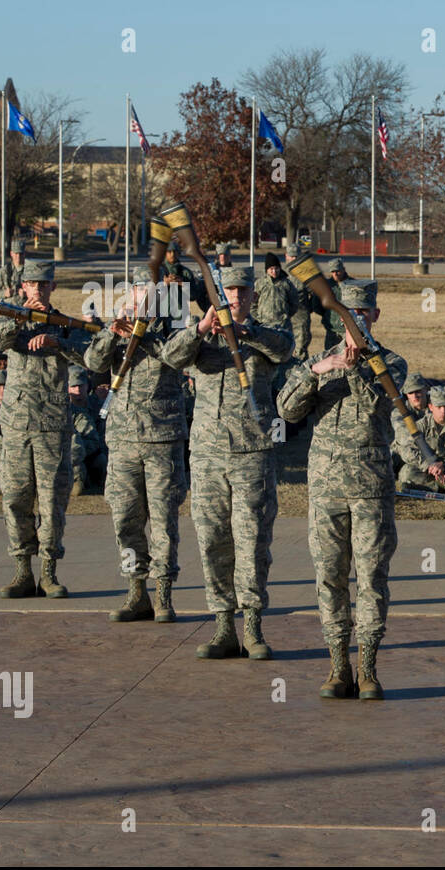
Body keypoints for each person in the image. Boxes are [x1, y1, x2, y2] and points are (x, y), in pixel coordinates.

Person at [277, 280, 406, 699]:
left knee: (370, 577)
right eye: (348, 316)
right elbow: (287, 409)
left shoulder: (391, 364)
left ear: (374, 317)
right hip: (326, 489)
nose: (355, 323)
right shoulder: (318, 362)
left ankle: (368, 667)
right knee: (330, 577)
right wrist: (319, 372)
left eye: (363, 314)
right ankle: (338, 666)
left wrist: (353, 371)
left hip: (371, 488)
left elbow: (374, 407)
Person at [162, 265, 293, 659]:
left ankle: (252, 627)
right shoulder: (201, 336)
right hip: (206, 455)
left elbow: (283, 349)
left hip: (252, 452)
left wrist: (247, 334)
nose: (236, 297)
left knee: (252, 540)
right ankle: (223, 627)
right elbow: (171, 357)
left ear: (253, 295)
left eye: (242, 291)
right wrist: (201, 329)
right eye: (229, 291)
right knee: (212, 538)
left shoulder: (266, 332)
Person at [84, 265, 190, 623]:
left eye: (150, 291)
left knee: (163, 522)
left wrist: (142, 334)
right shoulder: (116, 326)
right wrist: (112, 335)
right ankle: (136, 590)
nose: (142, 297)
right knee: (126, 519)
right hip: (123, 440)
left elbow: (177, 356)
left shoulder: (173, 329)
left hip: (163, 439)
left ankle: (164, 594)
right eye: (137, 290)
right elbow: (93, 364)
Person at [0, 260, 90, 598]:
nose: (38, 289)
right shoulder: (13, 317)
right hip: (17, 424)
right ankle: (22, 571)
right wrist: (21, 317)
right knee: (15, 498)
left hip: (52, 426)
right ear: (23, 288)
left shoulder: (64, 324)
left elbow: (88, 357)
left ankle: (48, 572)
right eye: (32, 284)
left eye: (44, 284)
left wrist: (56, 342)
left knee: (52, 502)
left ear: (53, 288)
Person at [397, 385, 445, 495]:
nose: (443, 411)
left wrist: (443, 464)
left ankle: (430, 487)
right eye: (439, 407)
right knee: (406, 472)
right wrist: (428, 465)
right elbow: (407, 450)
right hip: (427, 470)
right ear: (431, 407)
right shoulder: (420, 426)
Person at [67, 366, 106, 496]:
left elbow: (97, 438)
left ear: (87, 387)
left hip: (94, 453)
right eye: (73, 387)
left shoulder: (99, 406)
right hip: (71, 456)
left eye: (81, 386)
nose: (77, 390)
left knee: (102, 460)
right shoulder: (63, 409)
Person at [282, 247, 313, 362]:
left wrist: (308, 308)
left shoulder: (306, 275)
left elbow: (315, 294)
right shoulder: (280, 274)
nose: (294, 259)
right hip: (283, 318)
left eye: (296, 256)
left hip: (300, 317)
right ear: (286, 256)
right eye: (291, 256)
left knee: (300, 349)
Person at [318, 258, 351, 351]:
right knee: (330, 356)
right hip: (332, 329)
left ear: (343, 269)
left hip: (348, 329)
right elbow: (317, 305)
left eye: (337, 271)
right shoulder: (326, 286)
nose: (335, 274)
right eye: (333, 271)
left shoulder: (353, 285)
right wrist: (327, 315)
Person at [0, 239, 26, 304]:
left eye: (21, 253)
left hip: (25, 308)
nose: (18, 256)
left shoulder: (30, 271)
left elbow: (40, 291)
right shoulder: (4, 271)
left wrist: (27, 294)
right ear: (11, 253)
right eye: (16, 253)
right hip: (7, 309)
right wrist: (4, 293)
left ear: (24, 254)